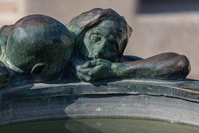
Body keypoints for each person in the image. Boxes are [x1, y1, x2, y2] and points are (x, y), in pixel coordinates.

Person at [66, 8, 190, 82]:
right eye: (96, 38)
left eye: (111, 47)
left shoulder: (119, 64)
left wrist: (114, 70)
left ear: (117, 54)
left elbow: (180, 63)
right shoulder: (56, 61)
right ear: (80, 35)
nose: (98, 51)